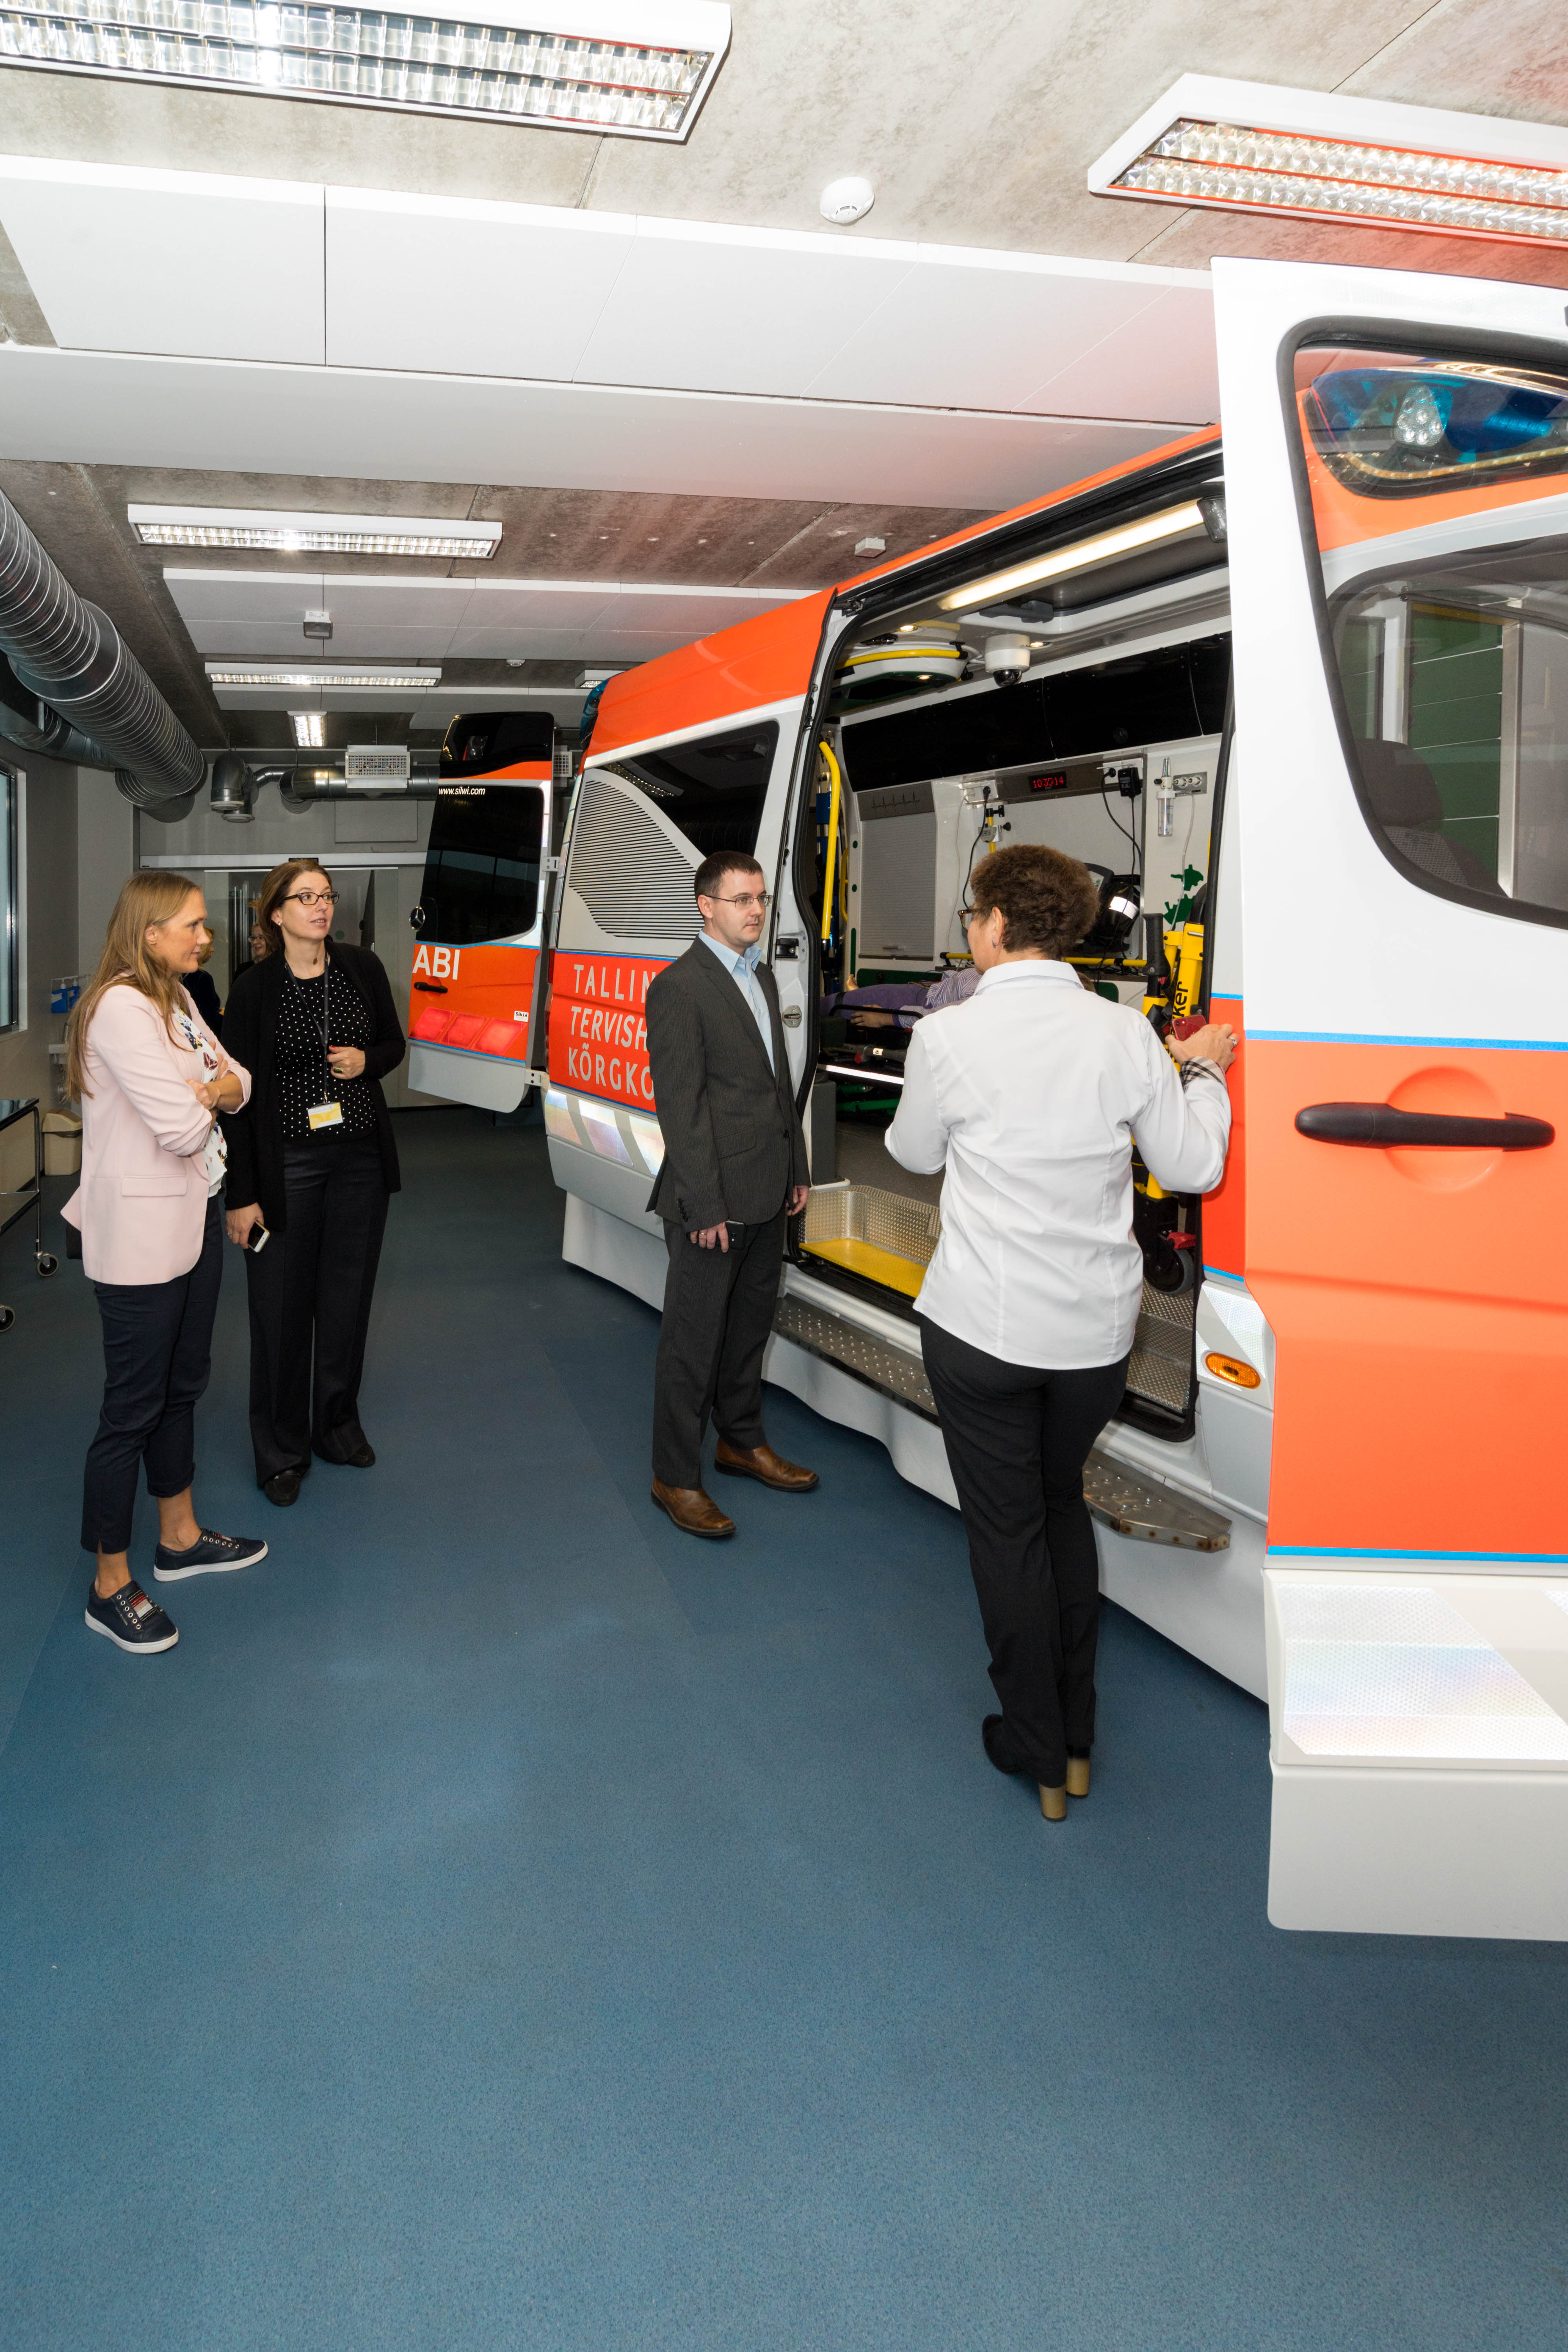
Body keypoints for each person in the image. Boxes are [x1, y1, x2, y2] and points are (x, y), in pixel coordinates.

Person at [886, 844, 1235, 1821]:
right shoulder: (1124, 1034)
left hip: (982, 1331)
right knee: (1058, 1507)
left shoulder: (947, 1036)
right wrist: (1203, 1075)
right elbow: (1192, 1167)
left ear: (998, 925)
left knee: (1007, 1536)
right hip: (1091, 1340)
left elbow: (911, 1152)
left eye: (972, 916)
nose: (969, 930)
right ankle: (1074, 1740)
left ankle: (1034, 1743)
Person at [64, 872, 268, 1657]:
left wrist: (208, 1090)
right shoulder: (119, 1007)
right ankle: (108, 1583)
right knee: (132, 1409)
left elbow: (242, 1083)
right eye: (192, 925)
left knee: (183, 1386)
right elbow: (185, 1127)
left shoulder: (177, 998)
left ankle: (178, 1539)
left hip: (193, 1218)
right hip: (138, 1240)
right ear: (149, 933)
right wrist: (209, 1093)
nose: (205, 937)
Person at [220, 858, 406, 1508]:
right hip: (287, 1165)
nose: (322, 906)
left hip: (359, 1161)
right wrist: (241, 1194)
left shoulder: (362, 969)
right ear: (277, 913)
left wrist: (367, 1059)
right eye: (306, 898)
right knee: (281, 1308)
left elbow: (393, 1045)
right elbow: (236, 1102)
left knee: (347, 1301)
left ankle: (337, 1426)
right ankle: (281, 1449)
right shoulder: (253, 989)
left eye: (326, 896)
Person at [644, 849, 816, 1538]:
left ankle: (740, 1442)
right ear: (706, 906)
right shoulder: (679, 988)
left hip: (768, 1189)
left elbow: (777, 1086)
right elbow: (681, 1109)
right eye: (742, 899)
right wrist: (706, 1207)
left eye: (762, 898)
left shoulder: (761, 976)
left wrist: (797, 1166)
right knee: (692, 1345)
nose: (756, 911)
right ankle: (675, 1476)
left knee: (748, 1331)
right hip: (711, 1202)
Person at [184, 926, 224, 1039]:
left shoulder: (179, 975)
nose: (213, 949)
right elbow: (209, 1022)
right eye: (210, 944)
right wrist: (223, 1017)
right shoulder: (202, 977)